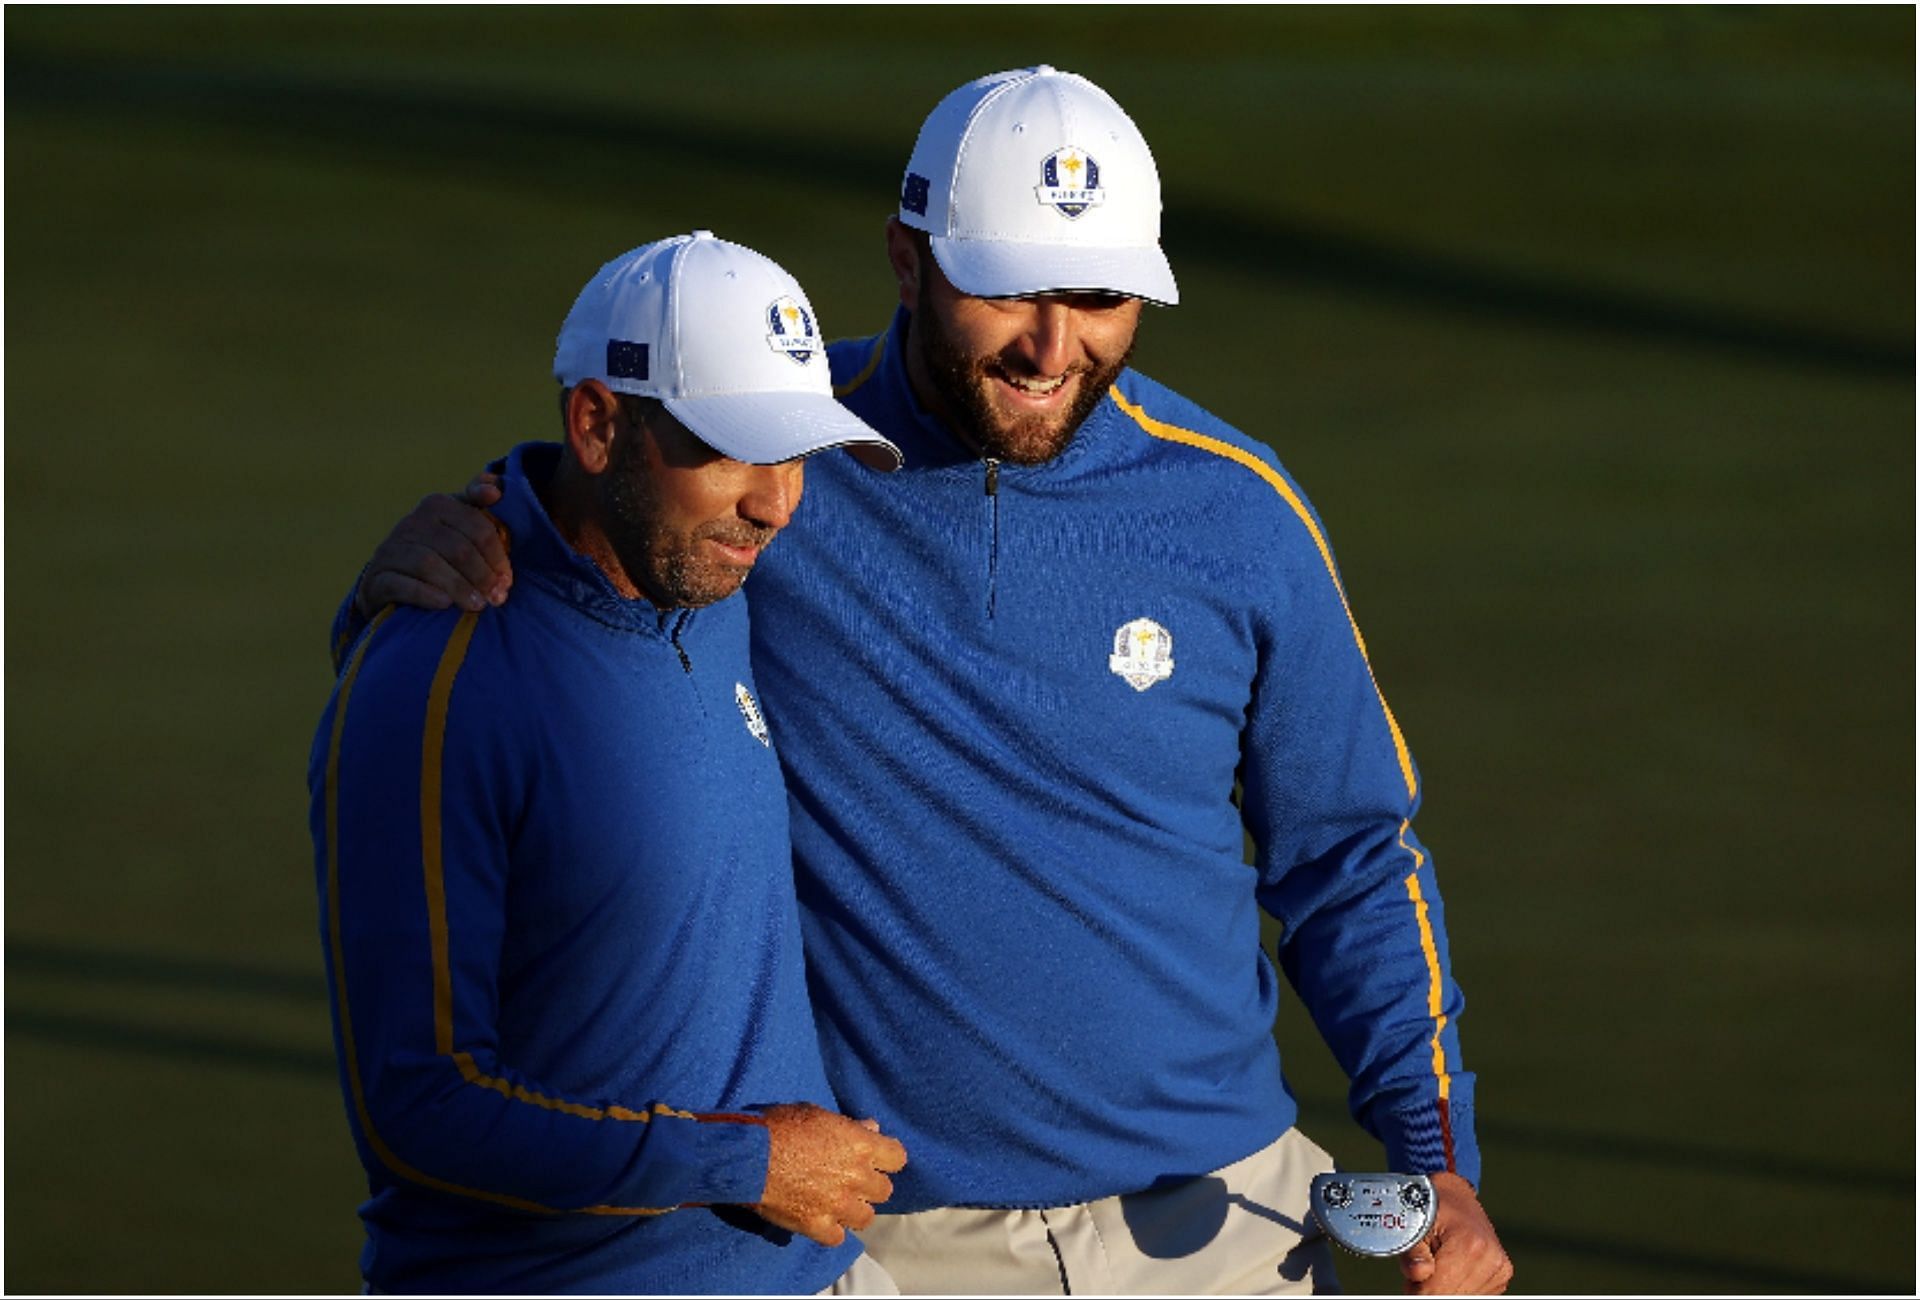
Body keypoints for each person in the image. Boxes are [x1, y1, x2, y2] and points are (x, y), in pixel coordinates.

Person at [339, 68, 1514, 1296]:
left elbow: (1352, 858)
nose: (1054, 346)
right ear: (908, 260)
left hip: (1220, 1230)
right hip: (899, 1239)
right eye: (1007, 289)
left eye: (1100, 297)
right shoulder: (768, 469)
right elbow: (571, 554)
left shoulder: (1241, 507)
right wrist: (403, 574)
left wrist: (1439, 1155)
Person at [309, 231, 910, 1296]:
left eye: (799, 454)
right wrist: (746, 1161)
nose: (775, 503)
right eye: (731, 446)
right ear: (597, 424)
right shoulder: (432, 683)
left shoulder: (712, 577)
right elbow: (418, 1104)